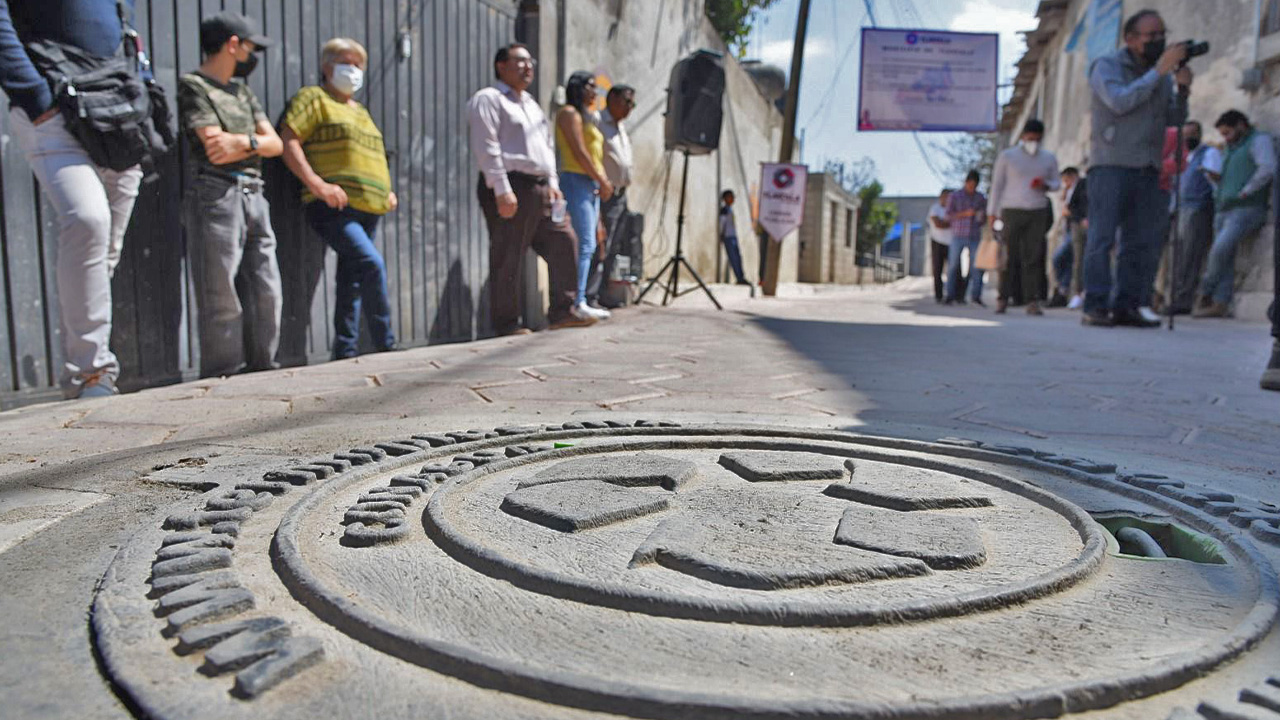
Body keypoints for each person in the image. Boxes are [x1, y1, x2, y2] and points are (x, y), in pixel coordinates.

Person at [0, 0, 145, 398]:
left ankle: (90, 363)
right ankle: (90, 373)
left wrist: (139, 81)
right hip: (55, 109)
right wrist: (33, 95)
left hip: (116, 110)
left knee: (103, 252)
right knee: (88, 219)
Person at [281, 38, 402, 360]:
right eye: (346, 62)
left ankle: (345, 350)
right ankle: (385, 343)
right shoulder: (314, 99)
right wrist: (317, 184)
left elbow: (372, 154)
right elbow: (289, 139)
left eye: (358, 64)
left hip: (370, 207)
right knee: (371, 265)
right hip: (333, 206)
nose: (354, 70)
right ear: (327, 66)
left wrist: (384, 191)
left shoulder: (360, 111)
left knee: (352, 278)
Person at [178, 12, 284, 377]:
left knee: (267, 286)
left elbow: (276, 144)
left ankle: (264, 366)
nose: (254, 54)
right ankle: (223, 375)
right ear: (233, 44)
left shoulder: (242, 91)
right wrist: (256, 143)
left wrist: (242, 141)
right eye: (251, 46)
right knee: (220, 291)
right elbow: (213, 147)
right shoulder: (194, 85)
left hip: (255, 191)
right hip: (216, 192)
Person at [468, 43, 594, 334]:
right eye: (520, 61)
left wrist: (552, 183)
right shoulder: (489, 99)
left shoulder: (532, 105)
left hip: (541, 189)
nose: (528, 67)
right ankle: (507, 324)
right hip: (510, 185)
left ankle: (564, 311)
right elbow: (487, 145)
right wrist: (501, 188)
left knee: (564, 241)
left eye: (530, 62)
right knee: (508, 253)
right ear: (501, 65)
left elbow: (546, 149)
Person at [1081, 9, 1191, 328]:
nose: (1159, 41)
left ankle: (1128, 305)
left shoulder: (1160, 76)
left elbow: (1173, 120)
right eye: (1151, 36)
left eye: (1162, 35)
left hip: (1147, 166)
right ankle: (1096, 304)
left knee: (1139, 242)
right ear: (1130, 39)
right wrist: (1159, 72)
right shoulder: (1107, 67)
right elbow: (1119, 101)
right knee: (1101, 239)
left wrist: (1182, 90)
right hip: (1111, 165)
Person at [1194, 110, 1275, 318]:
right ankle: (1219, 303)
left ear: (1241, 125)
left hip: (1246, 208)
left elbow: (1267, 168)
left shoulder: (1258, 140)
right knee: (1225, 256)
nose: (1226, 138)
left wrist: (1247, 189)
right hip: (1223, 208)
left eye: (1228, 132)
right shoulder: (1231, 148)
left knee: (1220, 250)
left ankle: (1206, 289)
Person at [555, 71, 614, 321]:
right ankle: (576, 301)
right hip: (575, 180)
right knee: (583, 244)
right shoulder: (569, 113)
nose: (595, 91)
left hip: (590, 185)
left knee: (591, 244)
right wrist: (602, 180)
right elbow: (580, 153)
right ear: (577, 87)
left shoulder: (591, 117)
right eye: (590, 86)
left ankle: (581, 299)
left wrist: (599, 182)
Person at [989, 119, 1060, 316]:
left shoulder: (1048, 158)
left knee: (1034, 257)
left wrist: (1045, 185)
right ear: (1023, 136)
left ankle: (1032, 300)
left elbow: (1057, 183)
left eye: (1037, 139)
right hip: (1011, 210)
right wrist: (991, 213)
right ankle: (1003, 298)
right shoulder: (1007, 157)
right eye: (1030, 138)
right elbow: (997, 185)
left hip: (1037, 211)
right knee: (1008, 256)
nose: (1033, 142)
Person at [1160, 121, 1221, 315]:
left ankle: (1184, 300)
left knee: (1190, 255)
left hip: (1197, 208)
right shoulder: (1183, 158)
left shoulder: (1209, 154)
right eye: (1183, 136)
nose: (1186, 139)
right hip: (1179, 209)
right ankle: (1173, 297)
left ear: (1199, 134)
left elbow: (1215, 180)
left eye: (1191, 135)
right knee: (1176, 256)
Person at [586, 84, 635, 308]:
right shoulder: (597, 121)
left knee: (614, 247)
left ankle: (603, 294)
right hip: (605, 194)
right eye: (626, 101)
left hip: (621, 195)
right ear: (611, 98)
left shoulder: (621, 127)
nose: (629, 107)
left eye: (632, 103)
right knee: (600, 245)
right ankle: (590, 296)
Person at [945, 170, 987, 306]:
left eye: (975, 185)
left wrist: (981, 217)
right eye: (970, 184)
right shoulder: (955, 196)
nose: (972, 188)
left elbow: (983, 218)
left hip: (974, 235)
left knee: (977, 267)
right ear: (966, 182)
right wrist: (965, 214)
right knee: (953, 266)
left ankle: (976, 296)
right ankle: (950, 295)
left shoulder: (980, 198)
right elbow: (948, 215)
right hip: (958, 235)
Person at [1050, 168, 1088, 309]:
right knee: (1066, 259)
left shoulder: (1083, 184)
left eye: (1066, 180)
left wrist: (1080, 216)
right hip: (1070, 228)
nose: (1065, 183)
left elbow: (1079, 206)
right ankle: (1063, 289)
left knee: (1075, 259)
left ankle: (1071, 291)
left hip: (1078, 226)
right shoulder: (1070, 190)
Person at [928, 189, 953, 303]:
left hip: (951, 243)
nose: (946, 199)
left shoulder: (953, 209)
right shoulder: (935, 208)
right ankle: (939, 295)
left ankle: (953, 295)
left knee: (953, 270)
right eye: (945, 197)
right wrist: (950, 222)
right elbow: (938, 224)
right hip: (937, 242)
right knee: (937, 269)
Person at [719, 190, 749, 285]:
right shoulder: (724, 210)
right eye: (730, 197)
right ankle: (739, 277)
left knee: (738, 257)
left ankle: (741, 276)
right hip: (728, 237)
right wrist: (721, 235)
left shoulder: (730, 210)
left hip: (733, 236)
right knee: (733, 258)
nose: (732, 199)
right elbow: (721, 224)